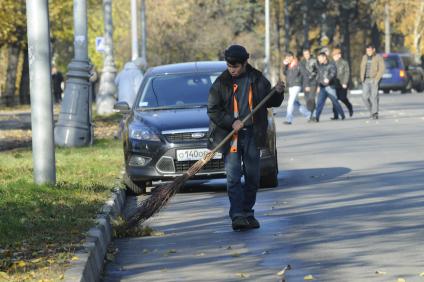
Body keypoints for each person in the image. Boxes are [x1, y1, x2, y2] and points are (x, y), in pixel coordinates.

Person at [207, 44, 285, 231]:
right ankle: (237, 215)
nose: (232, 70)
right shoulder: (221, 83)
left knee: (252, 177)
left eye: (236, 66)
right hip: (231, 136)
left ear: (244, 63)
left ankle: (247, 212)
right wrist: (230, 122)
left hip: (252, 133)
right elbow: (213, 109)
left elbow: (270, 101)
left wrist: (279, 92)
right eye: (229, 66)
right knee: (233, 177)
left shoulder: (257, 79)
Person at [315, 52, 345, 122]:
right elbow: (318, 76)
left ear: (324, 57)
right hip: (322, 87)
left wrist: (328, 78)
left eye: (320, 58)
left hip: (330, 86)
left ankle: (342, 115)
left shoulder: (331, 64)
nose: (319, 60)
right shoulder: (319, 66)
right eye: (318, 58)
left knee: (335, 101)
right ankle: (316, 117)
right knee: (320, 102)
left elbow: (333, 73)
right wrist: (318, 86)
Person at [282, 51, 310, 124]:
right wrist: (284, 65)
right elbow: (284, 73)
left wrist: (306, 85)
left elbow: (305, 74)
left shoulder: (298, 64)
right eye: (286, 57)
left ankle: (289, 119)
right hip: (291, 86)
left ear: (292, 57)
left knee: (290, 102)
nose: (287, 59)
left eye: (288, 57)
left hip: (297, 85)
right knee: (295, 103)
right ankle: (308, 114)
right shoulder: (288, 65)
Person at [360, 43, 385, 119]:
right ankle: (372, 111)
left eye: (370, 50)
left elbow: (382, 69)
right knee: (364, 97)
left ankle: (375, 113)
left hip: (374, 79)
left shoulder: (378, 57)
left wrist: (377, 79)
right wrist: (361, 78)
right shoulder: (364, 57)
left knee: (374, 96)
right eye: (367, 50)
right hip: (365, 80)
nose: (368, 52)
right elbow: (361, 68)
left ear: (374, 50)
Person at [332, 47, 353, 119]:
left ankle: (349, 107)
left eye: (335, 55)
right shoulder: (332, 63)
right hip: (334, 84)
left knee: (343, 98)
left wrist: (345, 82)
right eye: (333, 55)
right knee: (334, 99)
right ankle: (335, 115)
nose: (334, 56)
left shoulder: (344, 63)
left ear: (339, 55)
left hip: (342, 84)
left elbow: (347, 73)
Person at [300, 48, 319, 121]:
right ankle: (310, 115)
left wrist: (318, 85)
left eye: (307, 54)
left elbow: (318, 72)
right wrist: (306, 85)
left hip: (313, 83)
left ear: (310, 53)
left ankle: (314, 115)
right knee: (307, 100)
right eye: (305, 54)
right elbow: (304, 74)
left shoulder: (314, 61)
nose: (306, 55)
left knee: (312, 99)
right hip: (305, 83)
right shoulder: (302, 62)